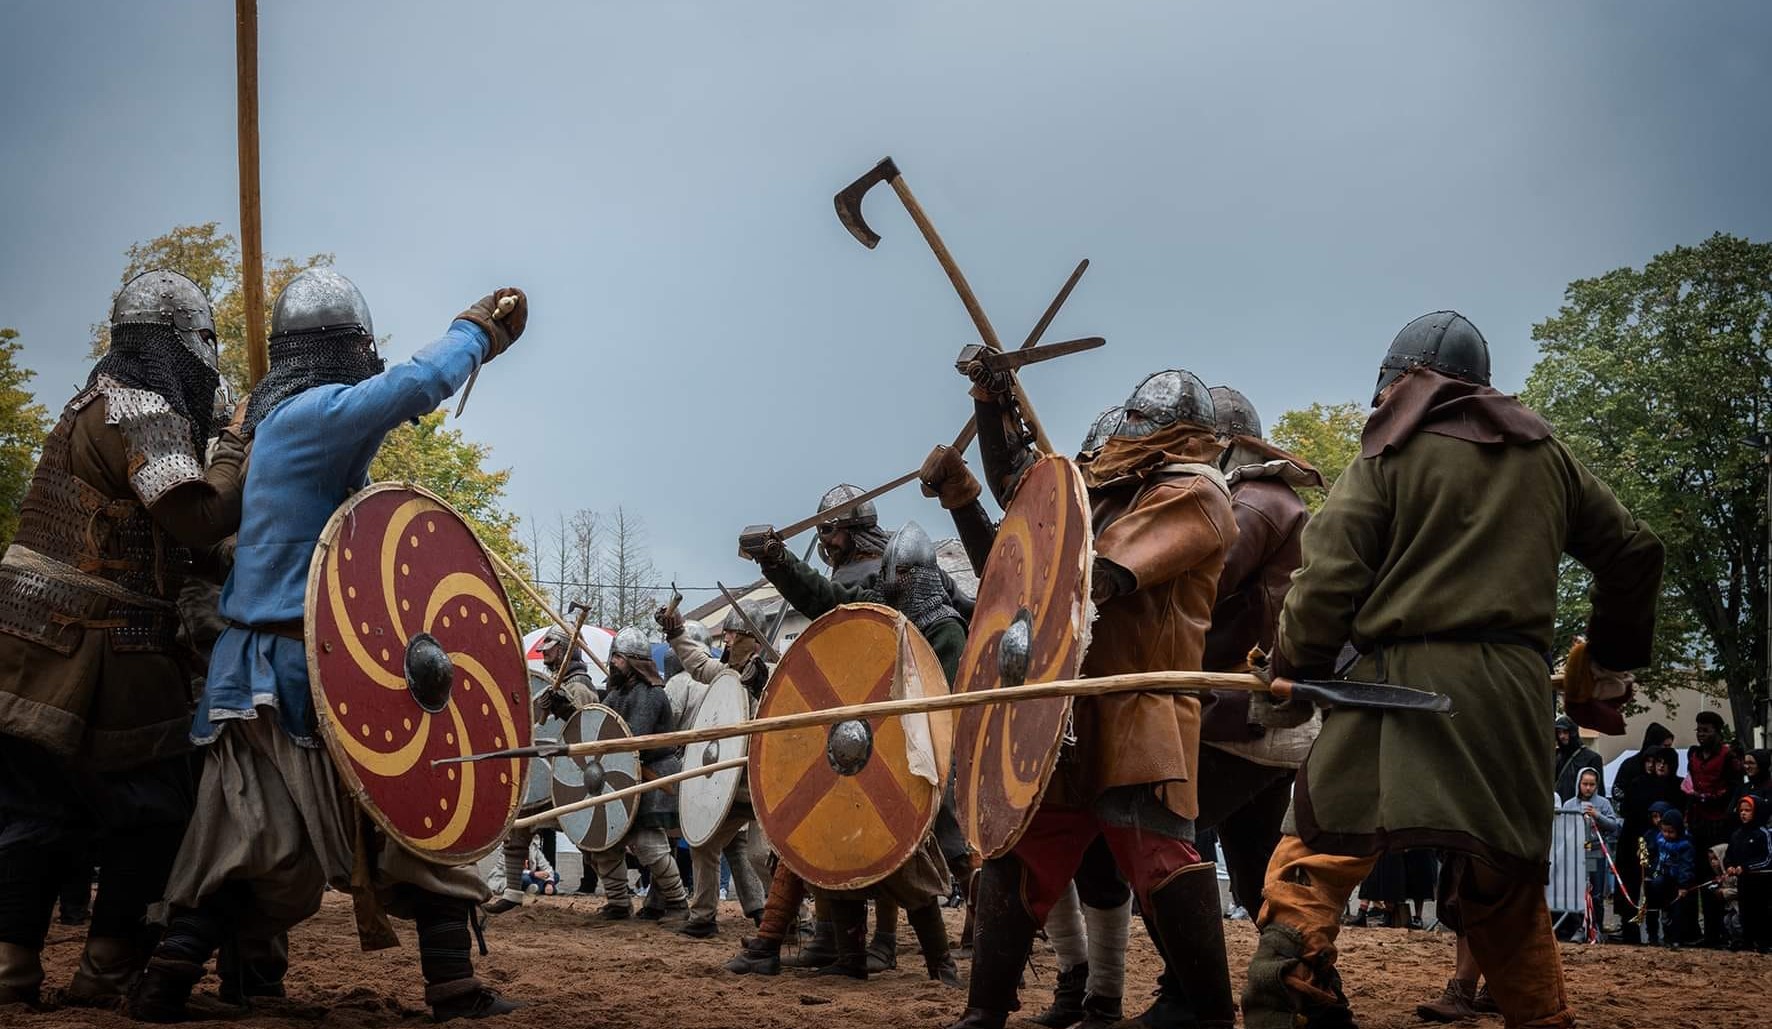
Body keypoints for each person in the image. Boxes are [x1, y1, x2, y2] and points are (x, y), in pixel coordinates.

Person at [1240, 311, 1664, 1029]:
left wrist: (1291, 670)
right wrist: (1611, 660)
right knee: (1507, 887)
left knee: (1313, 857)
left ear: (1402, 380)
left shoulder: (1390, 452)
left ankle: (1284, 990)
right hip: (1509, 701)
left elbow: (1325, 583)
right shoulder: (1547, 455)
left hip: (1390, 693)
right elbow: (1635, 551)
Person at [129, 271, 527, 1022]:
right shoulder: (315, 416)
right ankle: (451, 983)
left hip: (246, 676)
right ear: (345, 350)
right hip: (300, 674)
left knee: (244, 843)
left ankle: (167, 981)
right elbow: (417, 383)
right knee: (405, 808)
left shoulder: (271, 430)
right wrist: (479, 331)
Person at [939, 364, 1240, 1029]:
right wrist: (995, 402)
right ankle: (985, 1009)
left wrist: (1060, 531)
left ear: (1177, 432)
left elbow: (1092, 576)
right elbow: (1030, 507)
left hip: (1138, 710)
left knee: (1159, 861)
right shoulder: (1107, 490)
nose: (1125, 432)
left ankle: (1210, 1015)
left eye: (1141, 421)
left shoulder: (1195, 493)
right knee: (1022, 849)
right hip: (1066, 711)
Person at [0, 271, 247, 1008]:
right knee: (156, 806)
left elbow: (181, 544)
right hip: (101, 645)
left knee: (36, 809)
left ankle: (11, 970)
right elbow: (197, 519)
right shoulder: (142, 407)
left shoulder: (89, 403)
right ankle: (107, 964)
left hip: (24, 640)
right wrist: (236, 447)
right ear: (178, 344)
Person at [734, 521, 963, 988]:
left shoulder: (945, 630)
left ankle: (947, 963)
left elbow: (941, 711)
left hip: (917, 764)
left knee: (915, 864)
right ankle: (850, 956)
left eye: (902, 577)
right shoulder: (878, 610)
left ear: (921, 577)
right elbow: (823, 599)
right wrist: (778, 561)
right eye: (890, 576)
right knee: (832, 842)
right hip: (860, 751)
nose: (893, 584)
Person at [655, 603, 769, 939]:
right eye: (728, 634)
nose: (729, 641)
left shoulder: (774, 677)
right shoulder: (725, 676)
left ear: (755, 642)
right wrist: (676, 632)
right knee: (704, 843)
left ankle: (794, 919)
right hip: (729, 784)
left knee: (761, 854)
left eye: (736, 635)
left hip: (762, 782)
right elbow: (697, 662)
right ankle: (703, 916)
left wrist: (762, 687)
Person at [485, 626, 600, 915]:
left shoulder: (580, 687)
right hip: (547, 778)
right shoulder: (554, 685)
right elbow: (536, 729)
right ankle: (512, 891)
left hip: (571, 779)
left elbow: (586, 733)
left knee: (594, 841)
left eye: (551, 646)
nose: (544, 651)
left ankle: (621, 899)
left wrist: (564, 707)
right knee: (519, 827)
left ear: (565, 650)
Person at [585, 627, 689, 924]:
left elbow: (634, 737)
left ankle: (679, 903)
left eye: (617, 658)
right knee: (604, 840)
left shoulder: (652, 694)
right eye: (613, 657)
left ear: (633, 661)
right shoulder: (617, 693)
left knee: (648, 845)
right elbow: (595, 727)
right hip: (623, 773)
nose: (612, 662)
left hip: (653, 775)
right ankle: (619, 902)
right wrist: (570, 711)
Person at [1611, 744, 1684, 943]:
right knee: (1635, 886)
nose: (1658, 766)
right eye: (1655, 762)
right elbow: (1628, 809)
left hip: (1667, 846)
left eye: (1663, 762)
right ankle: (1632, 931)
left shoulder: (1677, 787)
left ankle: (1669, 934)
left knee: (1662, 889)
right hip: (1636, 841)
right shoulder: (1639, 783)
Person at [1686, 711, 1743, 947]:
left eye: (1705, 730)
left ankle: (1724, 932)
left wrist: (1718, 802)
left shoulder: (1728, 756)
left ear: (1716, 732)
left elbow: (1735, 788)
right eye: (1698, 729)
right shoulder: (1694, 755)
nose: (1701, 734)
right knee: (1701, 878)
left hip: (1721, 824)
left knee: (1719, 878)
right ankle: (1708, 933)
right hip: (1699, 823)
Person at [1557, 768, 1620, 939]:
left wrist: (1597, 815)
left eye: (1592, 784)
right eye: (1585, 784)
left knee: (1596, 892)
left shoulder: (1603, 803)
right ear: (1579, 784)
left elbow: (1614, 825)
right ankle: (1579, 927)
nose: (1588, 788)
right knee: (1576, 891)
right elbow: (1563, 829)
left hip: (1596, 851)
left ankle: (1597, 928)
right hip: (1576, 853)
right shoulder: (1569, 804)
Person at [1723, 794, 1771, 952]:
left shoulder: (1762, 833)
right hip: (1743, 881)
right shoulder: (1737, 834)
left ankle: (1763, 942)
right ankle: (1747, 941)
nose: (1743, 813)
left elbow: (1767, 858)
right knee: (1745, 911)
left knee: (1761, 911)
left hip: (1761, 881)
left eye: (1748, 810)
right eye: (1741, 810)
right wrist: (1729, 866)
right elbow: (1729, 855)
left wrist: (1747, 867)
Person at [1646, 809, 1699, 948]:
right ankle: (1661, 935)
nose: (1667, 835)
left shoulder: (1685, 845)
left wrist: (1683, 885)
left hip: (1678, 882)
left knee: (1678, 911)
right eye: (1665, 831)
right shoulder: (1660, 839)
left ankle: (1676, 938)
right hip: (1662, 878)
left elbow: (1686, 866)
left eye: (1671, 832)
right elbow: (1657, 858)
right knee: (1663, 908)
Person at [1553, 716, 1603, 805]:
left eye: (1565, 732)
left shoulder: (1592, 758)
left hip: (1581, 810)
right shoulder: (1556, 756)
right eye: (1559, 733)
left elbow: (1599, 791)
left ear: (1572, 732)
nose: (1562, 736)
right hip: (1559, 809)